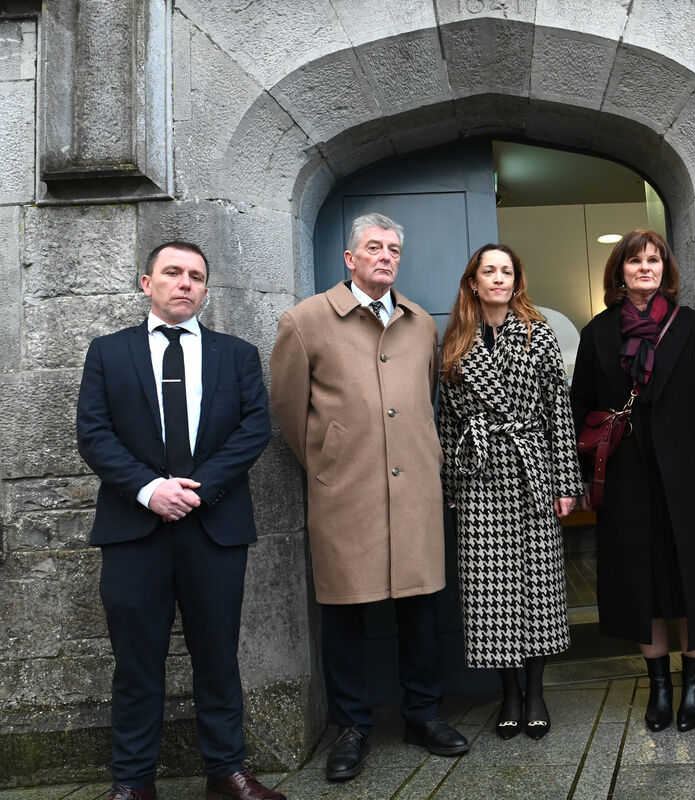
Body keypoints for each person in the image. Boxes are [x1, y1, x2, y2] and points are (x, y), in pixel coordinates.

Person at [76, 242, 282, 800]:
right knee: (136, 661)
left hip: (212, 526)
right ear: (147, 283)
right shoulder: (108, 352)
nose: (184, 283)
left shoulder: (235, 355)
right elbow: (93, 434)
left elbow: (253, 429)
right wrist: (149, 489)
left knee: (217, 656)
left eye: (195, 276)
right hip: (133, 528)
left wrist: (197, 490)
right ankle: (134, 782)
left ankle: (226, 771)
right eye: (172, 273)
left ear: (206, 290)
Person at [270, 213, 469, 781]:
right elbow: (288, 410)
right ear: (349, 259)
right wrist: (331, 461)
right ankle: (352, 726)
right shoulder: (305, 322)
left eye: (394, 250)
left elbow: (425, 396)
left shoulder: (420, 325)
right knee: (345, 615)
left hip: (415, 496)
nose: (386, 256)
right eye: (374, 247)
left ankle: (423, 715)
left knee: (420, 609)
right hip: (345, 494)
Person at [570, 229, 695, 733]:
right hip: (627, 478)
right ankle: (659, 689)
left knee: (693, 578)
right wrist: (580, 478)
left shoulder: (690, 326)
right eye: (635, 261)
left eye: (654, 260)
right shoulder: (597, 333)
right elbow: (580, 410)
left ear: (666, 269)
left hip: (691, 477)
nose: (646, 268)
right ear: (619, 271)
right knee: (642, 583)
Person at [437, 244, 584, 740]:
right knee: (490, 592)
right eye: (489, 271)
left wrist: (566, 484)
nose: (498, 278)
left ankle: (537, 689)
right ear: (473, 282)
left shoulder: (538, 335)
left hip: (532, 474)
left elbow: (558, 417)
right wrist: (451, 486)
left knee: (539, 586)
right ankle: (509, 693)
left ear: (516, 281)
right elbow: (446, 421)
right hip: (480, 479)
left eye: (507, 271)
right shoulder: (455, 340)